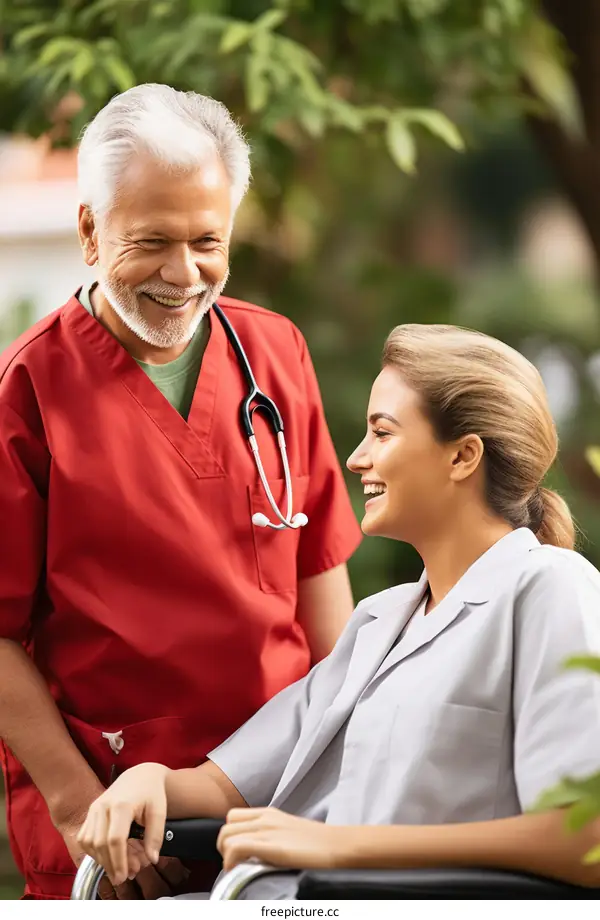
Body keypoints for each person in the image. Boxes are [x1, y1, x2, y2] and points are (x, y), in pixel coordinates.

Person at [79, 323, 600, 899]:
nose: (357, 459)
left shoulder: (551, 588)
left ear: (463, 456)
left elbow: (586, 840)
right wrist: (148, 780)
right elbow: (224, 786)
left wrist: (339, 845)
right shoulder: (383, 621)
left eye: (382, 433)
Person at [0, 84, 362, 900]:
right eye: (151, 241)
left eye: (207, 240)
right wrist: (75, 808)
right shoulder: (27, 391)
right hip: (119, 826)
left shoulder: (275, 351)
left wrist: (352, 762)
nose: (182, 272)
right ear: (90, 231)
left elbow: (319, 581)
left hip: (284, 800)